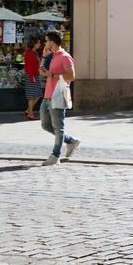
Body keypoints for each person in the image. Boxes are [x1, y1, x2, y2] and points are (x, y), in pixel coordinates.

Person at [39, 30, 80, 166]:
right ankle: (71, 141)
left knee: (58, 127)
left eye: (46, 41)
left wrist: (52, 75)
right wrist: (44, 57)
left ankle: (55, 156)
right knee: (45, 125)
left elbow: (71, 76)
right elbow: (42, 71)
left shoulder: (65, 57)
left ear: (52, 42)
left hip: (58, 95)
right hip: (47, 95)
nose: (44, 43)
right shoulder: (52, 56)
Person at [23, 35, 44, 120]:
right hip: (31, 76)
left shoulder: (32, 52)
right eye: (38, 42)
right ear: (34, 43)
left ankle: (29, 111)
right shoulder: (29, 53)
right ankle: (30, 113)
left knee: (38, 94)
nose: (40, 44)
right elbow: (29, 67)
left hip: (34, 75)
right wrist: (32, 78)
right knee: (32, 96)